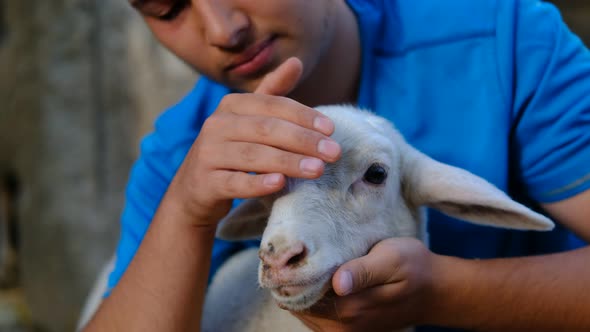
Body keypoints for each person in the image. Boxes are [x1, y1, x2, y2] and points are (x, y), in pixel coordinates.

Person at [85, 0, 590, 330]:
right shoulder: (183, 153)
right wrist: (187, 214)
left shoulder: (506, 44)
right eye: (166, 7)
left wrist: (443, 291)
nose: (223, 29)